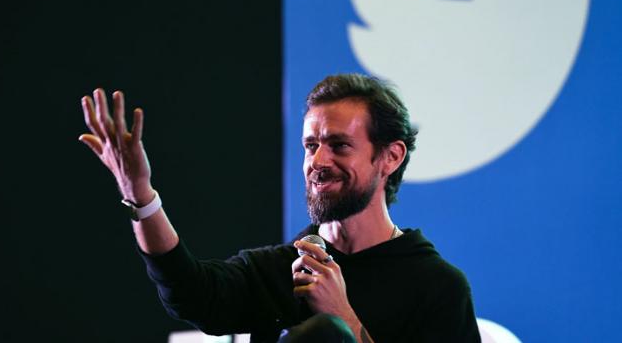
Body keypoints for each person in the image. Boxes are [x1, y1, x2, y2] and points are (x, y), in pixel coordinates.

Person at [79, 73, 481, 343]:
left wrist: (346, 322)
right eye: (311, 146)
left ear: (390, 157)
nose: (318, 162)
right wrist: (141, 194)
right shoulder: (277, 270)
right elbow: (189, 291)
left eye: (339, 145)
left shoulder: (437, 288)